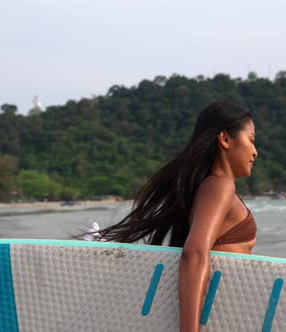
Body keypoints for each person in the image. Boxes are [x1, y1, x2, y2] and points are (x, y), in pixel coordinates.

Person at [98, 101, 258, 332]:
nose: (255, 150)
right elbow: (194, 253)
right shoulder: (220, 187)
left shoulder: (211, 188)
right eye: (251, 139)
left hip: (228, 315)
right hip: (216, 318)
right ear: (225, 139)